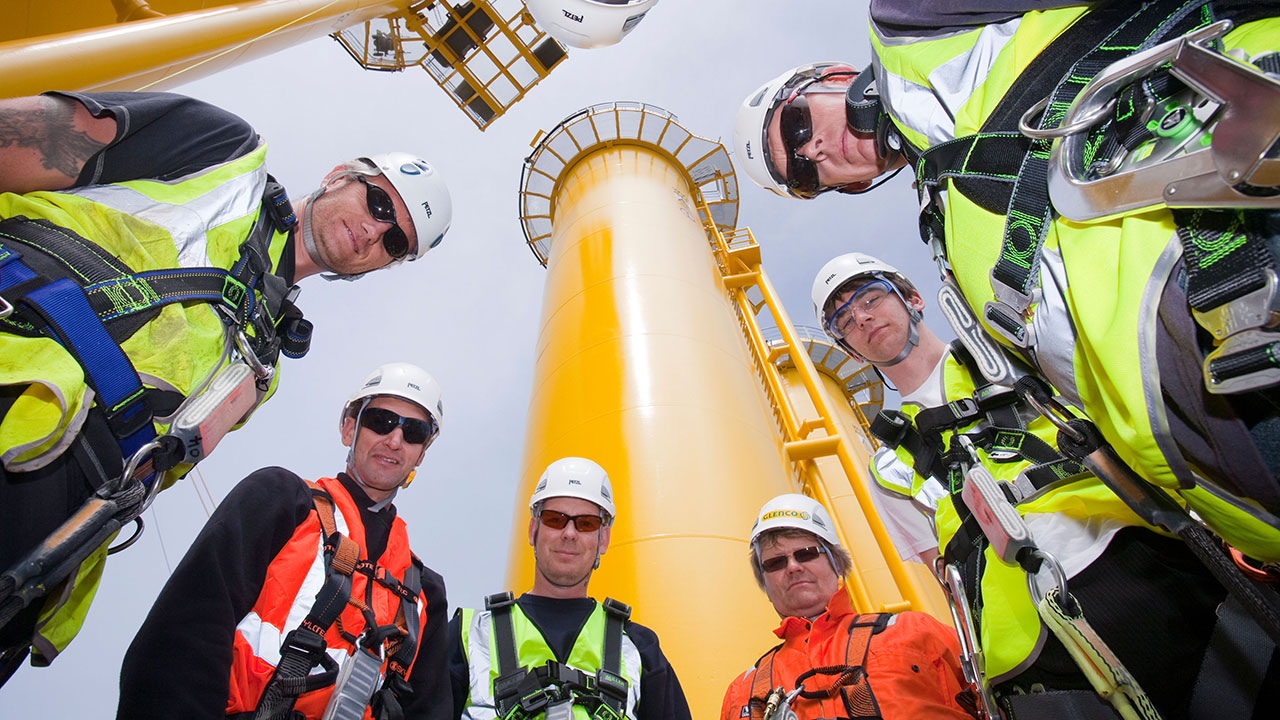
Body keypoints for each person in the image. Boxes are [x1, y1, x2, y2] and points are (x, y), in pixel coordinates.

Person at [731, 4, 1280, 571]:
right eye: (803, 174)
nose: (814, 153)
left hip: (1241, 222)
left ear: (831, 79)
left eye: (797, 127)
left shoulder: (915, 29)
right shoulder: (946, 231)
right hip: (1226, 451)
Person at [0, 90, 453, 676]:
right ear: (340, 175)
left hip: (52, 537)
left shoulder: (263, 365)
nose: (373, 232)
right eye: (379, 205)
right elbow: (38, 139)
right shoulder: (222, 153)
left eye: (395, 244)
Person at [812, 252, 1280, 719]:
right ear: (849, 349)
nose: (863, 317)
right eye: (845, 321)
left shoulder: (1013, 355)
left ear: (912, 298)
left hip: (1145, 562)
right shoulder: (889, 468)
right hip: (1032, 649)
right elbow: (944, 572)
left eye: (870, 297)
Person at [117, 362, 450, 720]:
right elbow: (184, 633)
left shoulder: (423, 593)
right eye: (381, 421)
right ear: (349, 427)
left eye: (413, 432)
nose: (395, 440)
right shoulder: (282, 500)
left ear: (421, 453)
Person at [449, 457, 692, 720]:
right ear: (533, 530)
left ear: (603, 539)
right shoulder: (469, 636)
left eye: (586, 523)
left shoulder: (640, 649)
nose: (569, 533)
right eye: (555, 519)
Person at [721, 493, 972, 720]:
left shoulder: (917, 632)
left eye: (806, 553)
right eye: (775, 563)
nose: (793, 567)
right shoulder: (743, 691)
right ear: (764, 583)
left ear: (836, 563)